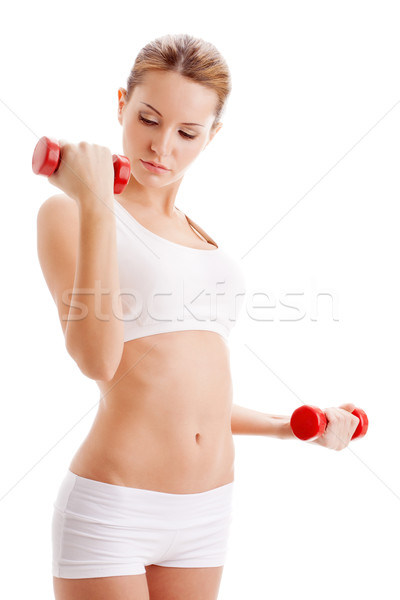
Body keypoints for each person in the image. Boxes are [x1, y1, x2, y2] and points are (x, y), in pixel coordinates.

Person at [36, 33, 361, 600]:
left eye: (187, 133)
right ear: (121, 104)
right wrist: (94, 203)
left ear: (212, 136)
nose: (162, 147)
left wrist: (290, 426)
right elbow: (98, 360)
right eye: (148, 119)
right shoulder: (70, 212)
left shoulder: (201, 238)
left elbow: (184, 393)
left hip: (207, 513)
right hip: (116, 508)